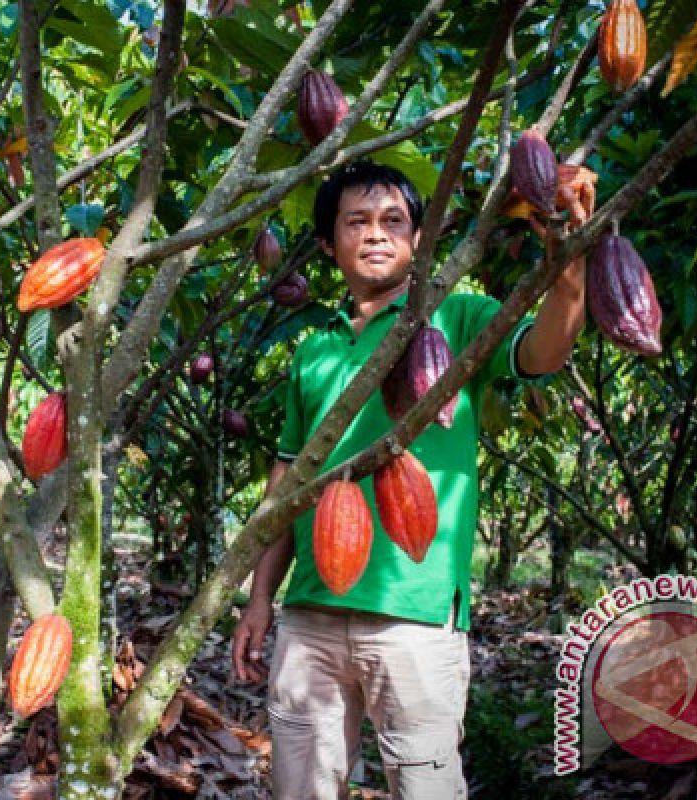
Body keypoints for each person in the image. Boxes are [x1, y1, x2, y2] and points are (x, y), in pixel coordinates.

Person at [231, 160, 593, 799]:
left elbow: (546, 351)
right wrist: (261, 598)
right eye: (358, 221)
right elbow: (285, 481)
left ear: (420, 239)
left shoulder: (456, 318)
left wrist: (567, 265)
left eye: (394, 221)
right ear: (328, 243)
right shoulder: (314, 346)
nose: (376, 233)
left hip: (416, 618)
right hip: (311, 613)